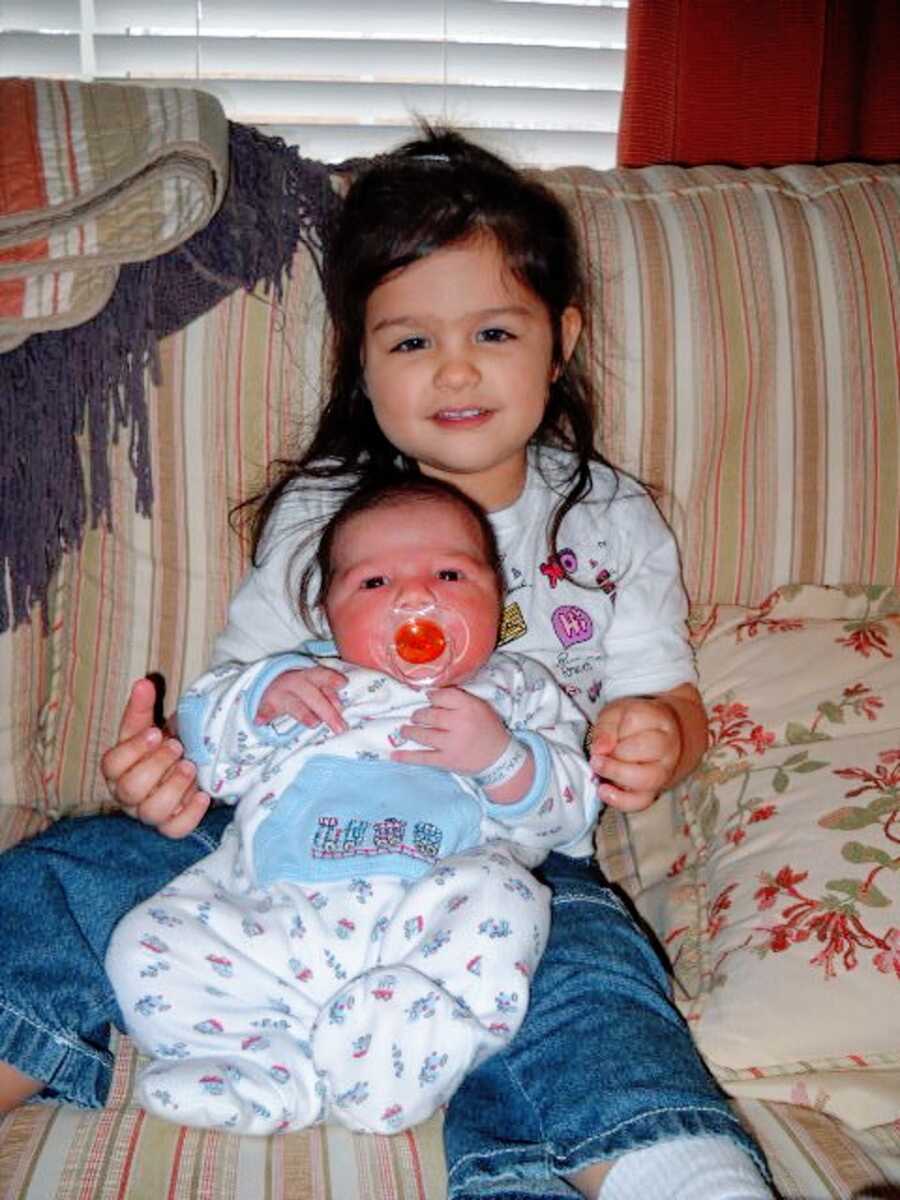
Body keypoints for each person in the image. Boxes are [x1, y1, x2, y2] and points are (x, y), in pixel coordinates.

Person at [0, 126, 773, 1199]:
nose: (454, 367)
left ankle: (680, 1175)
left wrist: (661, 738)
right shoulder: (324, 510)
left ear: (563, 340)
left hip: (510, 854)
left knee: (590, 978)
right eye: (409, 342)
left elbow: (665, 692)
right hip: (279, 830)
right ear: (362, 362)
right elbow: (240, 698)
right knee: (73, 873)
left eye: (494, 330)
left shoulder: (607, 519)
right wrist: (171, 773)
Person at [107, 476, 600, 1136]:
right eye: (373, 584)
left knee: (505, 898)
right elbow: (209, 757)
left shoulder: (515, 693)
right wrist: (263, 697)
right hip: (277, 925)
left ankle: (397, 1064)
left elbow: (571, 816)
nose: (416, 596)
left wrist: (501, 757)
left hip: (423, 934)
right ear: (327, 615)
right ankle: (273, 1071)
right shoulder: (305, 684)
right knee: (145, 942)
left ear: (499, 598)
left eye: (451, 574)